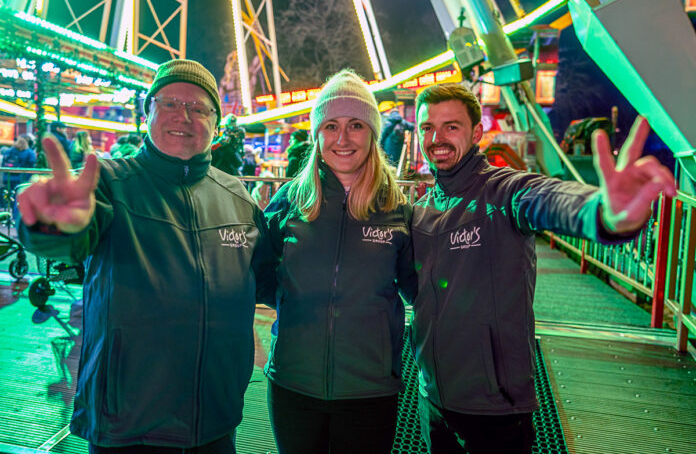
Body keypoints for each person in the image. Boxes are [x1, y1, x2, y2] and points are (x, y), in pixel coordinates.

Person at [17, 59, 275, 454]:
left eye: (199, 107)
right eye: (169, 103)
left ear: (216, 124)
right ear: (147, 111)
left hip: (215, 420)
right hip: (129, 421)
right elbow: (70, 241)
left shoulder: (238, 198)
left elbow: (272, 282)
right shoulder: (108, 182)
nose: (183, 116)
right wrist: (50, 224)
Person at [410, 83, 676, 454]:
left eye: (451, 127)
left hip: (495, 407)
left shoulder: (503, 192)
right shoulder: (421, 211)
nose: (436, 138)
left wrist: (603, 212)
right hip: (433, 399)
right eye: (427, 127)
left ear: (476, 133)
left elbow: (547, 198)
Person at [263, 69, 417, 454]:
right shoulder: (289, 202)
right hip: (293, 386)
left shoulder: (396, 209)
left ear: (372, 134)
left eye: (356, 126)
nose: (343, 139)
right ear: (317, 135)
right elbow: (260, 278)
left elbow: (423, 289)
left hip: (369, 389)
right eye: (330, 125)